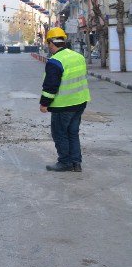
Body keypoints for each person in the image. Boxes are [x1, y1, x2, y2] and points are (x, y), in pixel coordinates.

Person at [40, 27, 91, 172]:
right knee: (73, 133)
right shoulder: (78, 56)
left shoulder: (55, 61)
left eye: (48, 43)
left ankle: (64, 162)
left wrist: (44, 104)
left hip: (63, 105)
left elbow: (51, 87)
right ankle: (76, 163)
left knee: (60, 134)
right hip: (80, 102)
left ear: (50, 43)